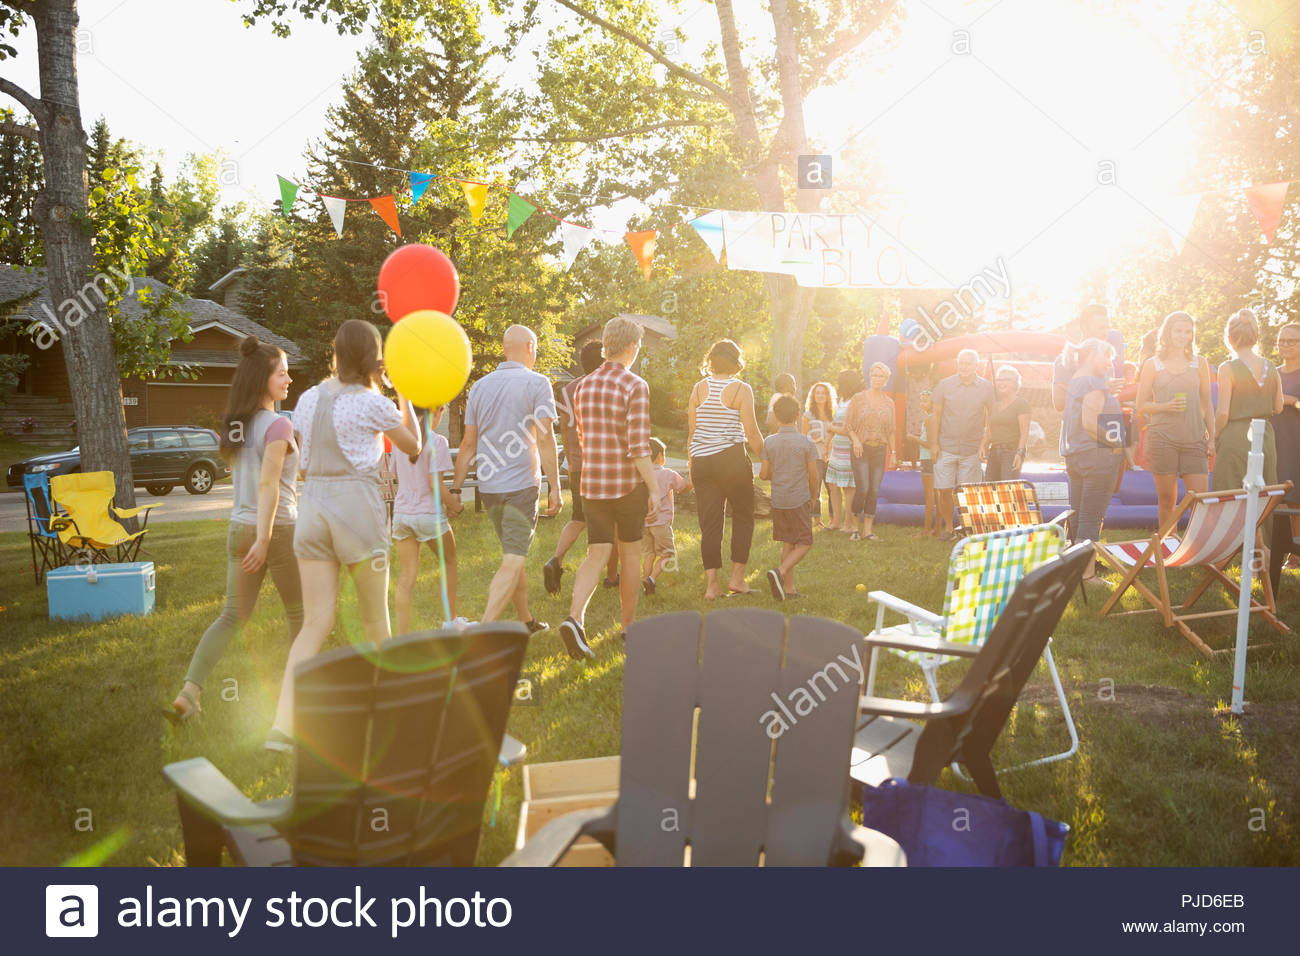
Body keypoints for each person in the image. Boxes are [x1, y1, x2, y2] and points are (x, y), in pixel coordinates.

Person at [267, 319, 421, 750]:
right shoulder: (374, 403)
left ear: (336, 353)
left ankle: (282, 725)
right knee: (375, 620)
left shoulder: (308, 398)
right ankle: (395, 717)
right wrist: (404, 394)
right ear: (372, 357)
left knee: (316, 622)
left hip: (312, 507)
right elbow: (413, 447)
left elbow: (302, 455)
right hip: (356, 509)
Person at [168, 336, 301, 724]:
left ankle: (189, 693)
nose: (289, 379)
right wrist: (264, 538)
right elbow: (268, 485)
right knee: (302, 618)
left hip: (237, 529)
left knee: (231, 617)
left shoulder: (239, 426)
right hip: (275, 532)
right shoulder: (278, 425)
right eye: (282, 374)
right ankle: (294, 703)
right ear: (263, 379)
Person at [559, 316, 660, 657]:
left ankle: (575, 618)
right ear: (632, 347)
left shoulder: (584, 386)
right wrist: (655, 488)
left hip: (592, 483)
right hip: (627, 486)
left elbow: (585, 439)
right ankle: (629, 628)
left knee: (596, 553)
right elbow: (638, 448)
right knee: (630, 553)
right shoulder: (635, 385)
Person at [452, 324, 561, 627]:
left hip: (490, 489)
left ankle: (525, 620)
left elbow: (467, 444)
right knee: (514, 558)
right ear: (529, 346)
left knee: (515, 554)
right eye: (536, 349)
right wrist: (556, 486)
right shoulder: (537, 383)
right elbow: (545, 438)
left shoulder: (479, 387)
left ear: (504, 348)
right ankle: (484, 630)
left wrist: (457, 490)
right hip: (521, 487)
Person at [686, 339, 765, 599]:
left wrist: (692, 465)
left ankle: (711, 587)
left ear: (712, 360)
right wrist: (767, 460)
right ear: (735, 361)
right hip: (730, 459)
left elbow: (692, 433)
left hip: (701, 461)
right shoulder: (740, 389)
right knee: (743, 515)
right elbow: (752, 432)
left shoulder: (698, 389)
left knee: (710, 522)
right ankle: (737, 579)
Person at [543, 340, 617, 595]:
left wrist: (572, 457)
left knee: (578, 517)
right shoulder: (607, 386)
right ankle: (611, 576)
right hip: (603, 465)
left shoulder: (568, 389)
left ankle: (556, 560)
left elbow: (563, 428)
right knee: (613, 521)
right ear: (605, 360)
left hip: (576, 465)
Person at [1136, 311, 1213, 530]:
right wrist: (1165, 407)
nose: (1183, 336)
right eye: (1178, 330)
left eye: (1187, 332)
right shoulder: (1153, 364)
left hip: (1194, 439)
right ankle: (1167, 548)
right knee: (1167, 499)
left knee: (1200, 499)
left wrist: (1211, 438)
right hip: (1162, 438)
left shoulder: (1200, 363)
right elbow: (1141, 405)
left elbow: (1207, 405)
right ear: (1168, 332)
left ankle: (1198, 548)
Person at [392, 404, 460, 634]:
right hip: (429, 515)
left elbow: (396, 475)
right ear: (436, 412)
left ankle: (401, 635)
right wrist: (454, 505)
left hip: (402, 515)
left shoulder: (400, 442)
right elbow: (435, 484)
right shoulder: (437, 442)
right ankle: (451, 622)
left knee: (407, 575)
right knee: (449, 562)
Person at [1063, 338, 1125, 578]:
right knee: (1091, 516)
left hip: (1076, 455)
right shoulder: (1093, 383)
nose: (1110, 364)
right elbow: (1090, 424)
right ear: (1093, 355)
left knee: (1078, 514)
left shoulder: (1075, 382)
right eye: (1107, 357)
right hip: (1097, 457)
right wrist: (1118, 442)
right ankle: (1088, 576)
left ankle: (1074, 573)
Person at [1213, 309, 1282, 491]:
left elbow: (1222, 413)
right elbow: (1279, 406)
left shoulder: (1227, 368)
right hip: (1264, 437)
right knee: (1262, 493)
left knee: (1231, 492)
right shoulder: (1272, 367)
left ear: (1229, 339)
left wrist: (1213, 435)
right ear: (1256, 337)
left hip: (1235, 437)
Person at [929, 348, 994, 539]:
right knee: (943, 489)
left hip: (972, 448)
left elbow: (991, 419)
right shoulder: (944, 385)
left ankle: (967, 529)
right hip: (946, 446)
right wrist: (934, 444)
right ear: (957, 364)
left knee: (969, 493)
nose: (964, 366)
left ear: (976, 366)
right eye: (961, 363)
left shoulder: (986, 387)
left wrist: (985, 442)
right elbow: (936, 416)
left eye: (968, 363)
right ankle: (949, 527)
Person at [761, 394, 820, 600]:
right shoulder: (806, 442)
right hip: (798, 499)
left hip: (778, 501)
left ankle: (789, 589)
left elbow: (764, 474)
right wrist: (814, 497)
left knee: (788, 542)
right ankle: (780, 571)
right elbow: (814, 475)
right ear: (798, 416)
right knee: (804, 542)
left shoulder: (769, 442)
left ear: (776, 417)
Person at [846, 361, 896, 541]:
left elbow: (891, 430)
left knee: (874, 490)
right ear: (869, 377)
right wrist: (856, 440)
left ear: (886, 380)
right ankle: (854, 528)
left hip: (879, 450)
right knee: (863, 489)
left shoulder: (889, 403)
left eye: (881, 376)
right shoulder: (858, 399)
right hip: (861, 449)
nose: (877, 378)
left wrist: (894, 453)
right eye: (874, 375)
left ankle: (868, 531)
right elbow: (848, 425)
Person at [1053, 304, 1125, 413]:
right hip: (1075, 429)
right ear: (1084, 328)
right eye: (1101, 328)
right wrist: (1100, 389)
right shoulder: (1065, 360)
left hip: (1102, 428)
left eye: (1107, 328)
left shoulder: (1108, 362)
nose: (1105, 333)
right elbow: (1059, 404)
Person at [641, 437, 691, 594]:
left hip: (643, 523)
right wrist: (693, 475)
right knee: (668, 553)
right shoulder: (667, 474)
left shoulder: (639, 475)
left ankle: (645, 580)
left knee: (649, 553)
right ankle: (652, 579)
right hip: (661, 522)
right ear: (659, 456)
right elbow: (683, 487)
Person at [1273, 322, 1300, 569]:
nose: (1285, 344)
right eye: (1282, 340)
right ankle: (1276, 550)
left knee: (1295, 498)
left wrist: (1293, 402)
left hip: (1297, 441)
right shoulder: (1272, 373)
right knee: (1277, 497)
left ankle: (1296, 552)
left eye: (1291, 340)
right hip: (1274, 440)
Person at [824, 369, 860, 533]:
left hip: (849, 448)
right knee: (833, 485)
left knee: (848, 488)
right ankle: (836, 521)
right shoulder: (842, 400)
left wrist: (831, 427)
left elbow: (848, 429)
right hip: (837, 449)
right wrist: (827, 446)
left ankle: (849, 524)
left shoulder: (854, 401)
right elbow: (836, 426)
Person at [983, 365, 1032, 482]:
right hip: (994, 452)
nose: (1001, 383)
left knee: (1007, 488)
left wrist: (1019, 454)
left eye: (1006, 380)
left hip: (1011, 452)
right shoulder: (994, 405)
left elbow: (1024, 433)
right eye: (999, 380)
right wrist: (982, 445)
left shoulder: (1021, 404)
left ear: (1015, 383)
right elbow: (989, 430)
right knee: (991, 488)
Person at [802, 380, 836, 529]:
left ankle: (834, 519)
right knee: (815, 487)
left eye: (823, 393)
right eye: (817, 393)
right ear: (813, 396)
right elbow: (803, 436)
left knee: (832, 488)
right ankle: (816, 519)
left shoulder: (833, 414)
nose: (820, 395)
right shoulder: (808, 414)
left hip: (832, 455)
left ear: (828, 396)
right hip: (815, 455)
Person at [915, 390, 938, 535]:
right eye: (921, 400)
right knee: (936, 494)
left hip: (928, 459)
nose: (922, 403)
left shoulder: (930, 419)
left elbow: (930, 444)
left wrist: (913, 438)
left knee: (930, 495)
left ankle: (927, 529)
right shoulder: (932, 418)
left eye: (925, 401)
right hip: (930, 459)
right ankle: (936, 530)